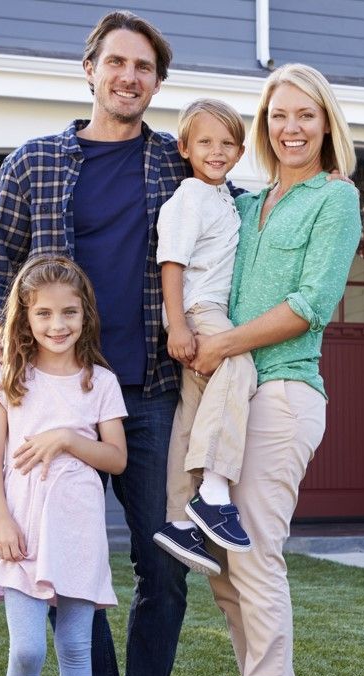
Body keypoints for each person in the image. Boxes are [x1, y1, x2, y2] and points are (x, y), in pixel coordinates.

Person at [0, 10, 193, 676]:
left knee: (161, 559)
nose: (129, 77)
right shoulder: (32, 163)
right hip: (57, 391)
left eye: (144, 68)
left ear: (157, 82)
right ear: (90, 69)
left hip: (153, 388)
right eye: (117, 63)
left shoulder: (176, 165)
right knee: (73, 558)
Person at [188, 64, 362, 676]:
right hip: (234, 397)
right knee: (227, 572)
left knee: (255, 560)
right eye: (279, 115)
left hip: (284, 395)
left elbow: (309, 305)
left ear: (327, 124)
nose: (291, 128)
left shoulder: (336, 198)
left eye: (306, 115)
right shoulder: (250, 201)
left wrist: (221, 343)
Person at [0, 255, 127, 676]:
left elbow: (115, 458)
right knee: (28, 652)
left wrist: (65, 437)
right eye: (44, 314)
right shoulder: (12, 379)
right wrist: (1, 518)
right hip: (21, 530)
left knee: (77, 648)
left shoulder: (100, 382)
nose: (57, 325)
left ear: (85, 314)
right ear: (25, 318)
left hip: (78, 531)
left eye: (69, 312)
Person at [153, 98, 260, 576]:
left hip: (204, 311)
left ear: (238, 151)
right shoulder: (190, 197)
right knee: (238, 364)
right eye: (205, 142)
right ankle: (214, 492)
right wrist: (178, 324)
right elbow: (171, 262)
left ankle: (178, 519)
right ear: (184, 148)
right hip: (200, 310)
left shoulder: (225, 198)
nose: (216, 151)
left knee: (191, 411)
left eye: (227, 143)